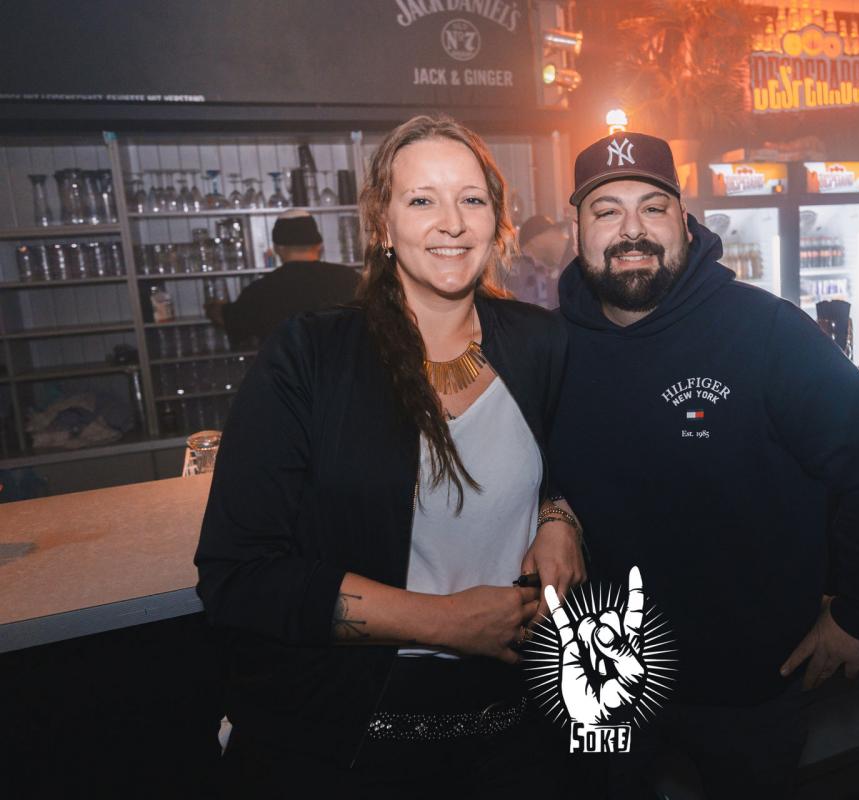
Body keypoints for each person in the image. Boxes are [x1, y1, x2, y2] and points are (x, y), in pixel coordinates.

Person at [194, 115, 585, 796]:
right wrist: (444, 621)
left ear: (498, 220)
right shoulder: (311, 355)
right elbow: (239, 576)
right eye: (422, 199)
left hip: (515, 732)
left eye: (471, 199)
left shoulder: (541, 343)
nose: (452, 223)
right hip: (345, 741)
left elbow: (575, 463)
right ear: (382, 222)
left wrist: (561, 516)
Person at [547, 132, 859, 797]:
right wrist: (553, 510)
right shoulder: (548, 346)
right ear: (576, 230)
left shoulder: (766, 332)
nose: (632, 230)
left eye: (653, 208)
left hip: (747, 686)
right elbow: (521, 466)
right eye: (607, 211)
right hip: (600, 677)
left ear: (685, 222)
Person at [203, 209, 360, 348]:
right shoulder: (350, 279)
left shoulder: (261, 290)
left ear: (277, 248)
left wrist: (213, 308)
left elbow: (228, 319)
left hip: (287, 372)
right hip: (343, 370)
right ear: (319, 245)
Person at [504, 214, 573, 308]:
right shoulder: (565, 264)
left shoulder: (577, 257)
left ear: (535, 242)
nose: (535, 263)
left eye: (531, 255)